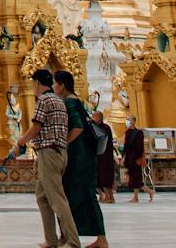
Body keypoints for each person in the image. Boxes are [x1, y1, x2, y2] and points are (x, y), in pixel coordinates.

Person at [28, 68, 82, 248]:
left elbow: (36, 127)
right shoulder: (59, 100)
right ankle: (51, 240)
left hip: (49, 152)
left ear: (37, 83)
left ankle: (73, 242)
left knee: (57, 199)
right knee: (42, 196)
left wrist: (21, 141)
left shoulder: (43, 100)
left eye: (33, 83)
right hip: (58, 152)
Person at [55, 71, 108, 248]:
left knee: (77, 195)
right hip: (82, 155)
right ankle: (68, 236)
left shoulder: (69, 102)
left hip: (79, 157)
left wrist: (63, 143)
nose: (54, 87)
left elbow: (77, 127)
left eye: (56, 84)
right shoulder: (74, 101)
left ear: (62, 85)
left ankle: (92, 238)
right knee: (75, 195)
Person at [121, 116, 151, 202]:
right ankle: (138, 196)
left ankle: (146, 193)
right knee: (133, 178)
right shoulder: (127, 132)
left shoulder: (139, 133)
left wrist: (139, 158)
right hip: (129, 158)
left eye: (129, 119)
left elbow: (140, 147)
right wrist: (123, 156)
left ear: (133, 121)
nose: (127, 121)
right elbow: (125, 146)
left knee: (136, 178)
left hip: (135, 158)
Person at [92, 110, 117, 204]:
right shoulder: (98, 127)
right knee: (100, 177)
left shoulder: (105, 128)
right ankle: (107, 196)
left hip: (105, 156)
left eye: (94, 117)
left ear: (99, 118)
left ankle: (109, 196)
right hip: (99, 156)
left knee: (106, 176)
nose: (93, 118)